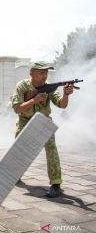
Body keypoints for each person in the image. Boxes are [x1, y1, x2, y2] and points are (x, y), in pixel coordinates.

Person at [11, 61, 74, 198]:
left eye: (46, 72)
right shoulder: (22, 86)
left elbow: (62, 105)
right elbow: (17, 109)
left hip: (43, 120)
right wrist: (35, 100)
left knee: (51, 147)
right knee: (18, 148)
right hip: (25, 121)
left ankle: (56, 184)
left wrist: (66, 94)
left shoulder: (49, 87)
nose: (44, 75)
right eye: (41, 72)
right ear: (31, 73)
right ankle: (15, 174)